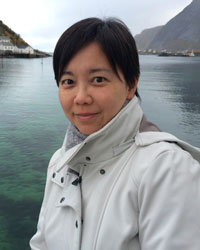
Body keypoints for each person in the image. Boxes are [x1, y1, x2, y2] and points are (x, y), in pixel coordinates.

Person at [30, 17, 200, 250]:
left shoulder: (166, 169)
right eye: (68, 81)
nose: (81, 97)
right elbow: (41, 244)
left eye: (98, 80)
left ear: (131, 84)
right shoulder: (60, 162)